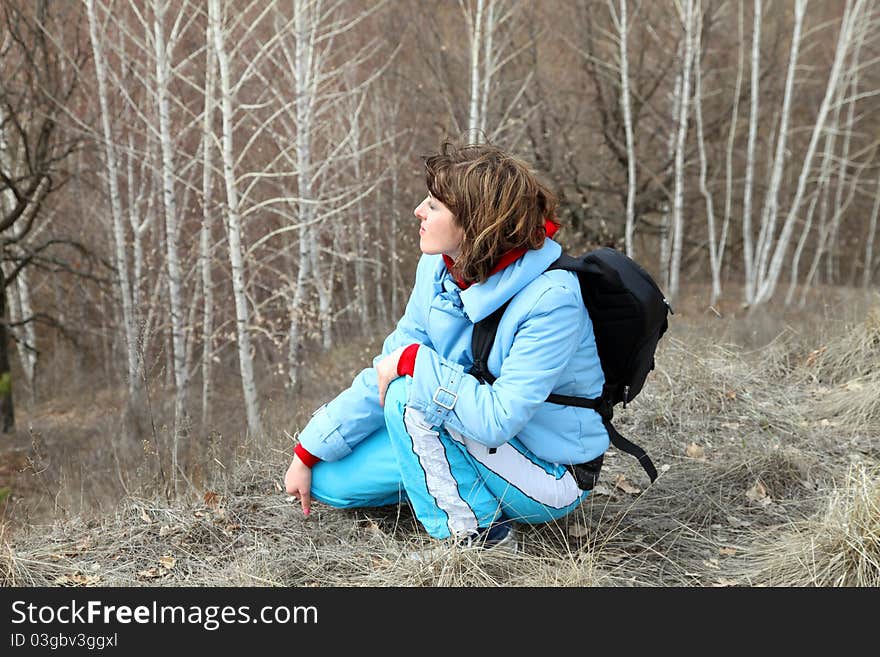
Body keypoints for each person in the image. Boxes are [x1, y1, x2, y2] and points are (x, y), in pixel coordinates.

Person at [283, 141, 609, 554]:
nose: (420, 210)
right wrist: (310, 447)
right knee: (332, 481)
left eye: (435, 206)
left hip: (550, 470)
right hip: (466, 431)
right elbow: (390, 364)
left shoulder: (552, 299)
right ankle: (442, 476)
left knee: (408, 393)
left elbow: (497, 419)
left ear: (477, 224)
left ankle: (480, 536)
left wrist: (415, 365)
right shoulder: (438, 269)